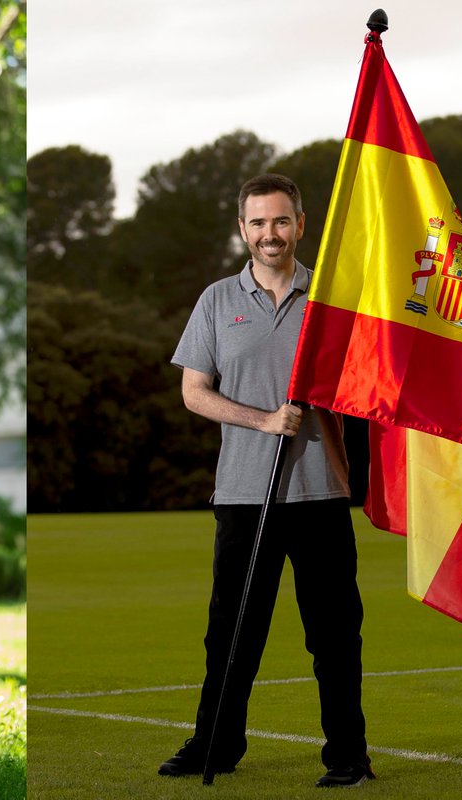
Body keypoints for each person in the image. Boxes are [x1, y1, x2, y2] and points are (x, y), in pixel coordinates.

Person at [159, 174, 373, 787]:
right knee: (231, 634)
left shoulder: (331, 301)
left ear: (300, 225)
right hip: (243, 496)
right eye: (258, 223)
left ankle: (348, 757)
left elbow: (366, 388)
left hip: (320, 496)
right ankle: (214, 747)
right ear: (242, 229)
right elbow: (194, 393)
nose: (270, 234)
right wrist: (264, 419)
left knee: (334, 637)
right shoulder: (215, 300)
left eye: (281, 221)